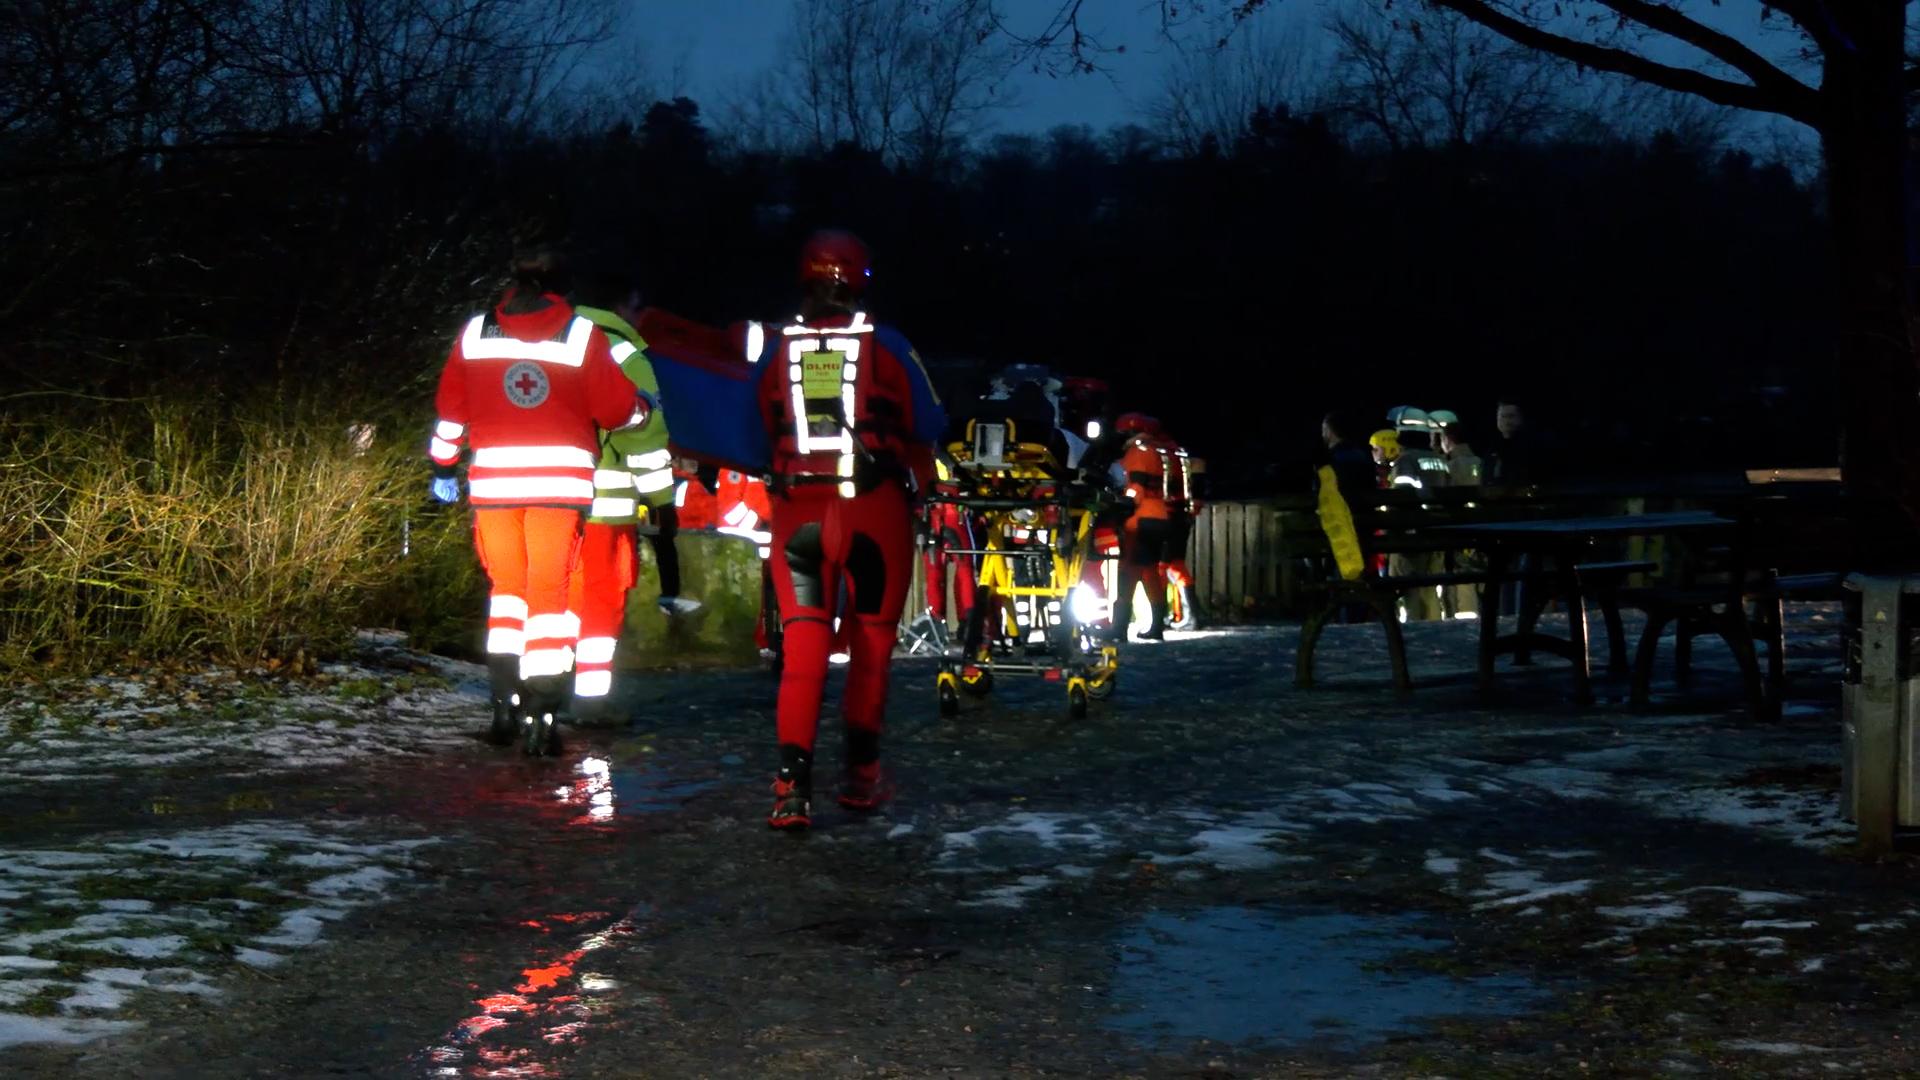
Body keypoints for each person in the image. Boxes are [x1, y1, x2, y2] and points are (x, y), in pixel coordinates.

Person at [756, 229, 946, 830]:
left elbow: (749, 429)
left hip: (799, 512)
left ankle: (791, 787)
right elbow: (931, 420)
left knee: (803, 652)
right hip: (872, 510)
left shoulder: (773, 348)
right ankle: (860, 779)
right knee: (871, 647)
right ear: (861, 282)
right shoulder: (888, 345)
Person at [427, 246, 638, 754]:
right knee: (549, 595)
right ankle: (543, 715)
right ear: (563, 288)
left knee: (507, 593)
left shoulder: (475, 333)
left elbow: (451, 411)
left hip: (494, 486)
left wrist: (441, 466)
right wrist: (639, 411)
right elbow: (614, 411)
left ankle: (503, 704)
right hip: (558, 489)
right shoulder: (582, 335)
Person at [565, 265, 678, 720]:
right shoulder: (625, 353)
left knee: (551, 596)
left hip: (549, 497)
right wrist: (663, 503)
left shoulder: (554, 340)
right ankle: (591, 702)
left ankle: (540, 692)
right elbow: (644, 438)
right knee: (600, 601)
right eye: (635, 306)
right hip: (606, 508)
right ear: (619, 306)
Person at [1109, 412, 1184, 641]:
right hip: (1161, 516)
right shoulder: (1162, 452)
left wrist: (1121, 505)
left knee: (1128, 572)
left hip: (1140, 519)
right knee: (1150, 572)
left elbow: (1136, 489)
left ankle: (1119, 629)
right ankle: (1156, 627)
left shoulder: (1137, 453)